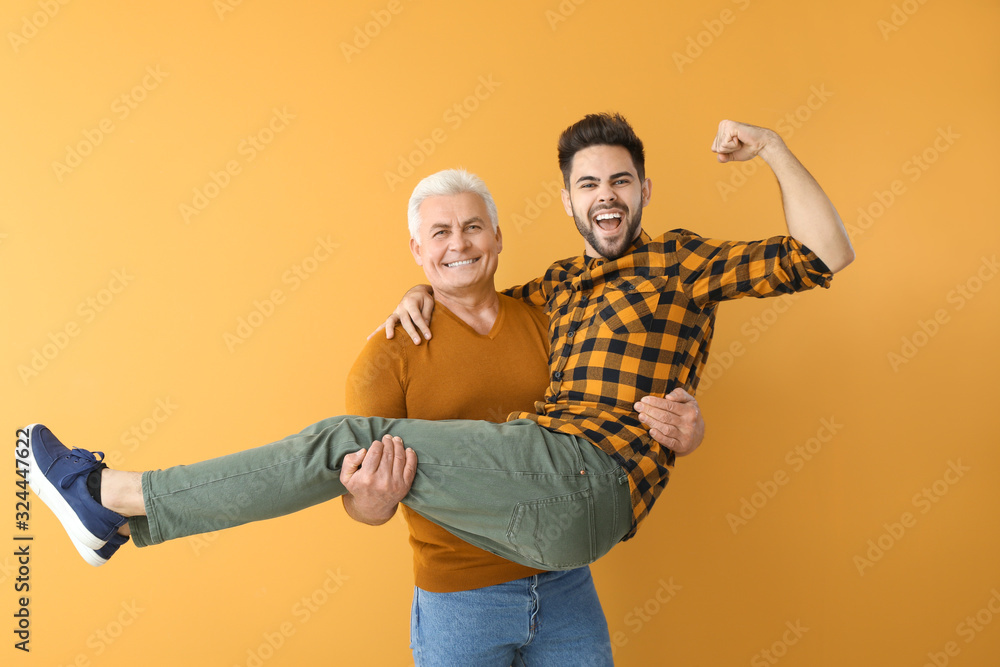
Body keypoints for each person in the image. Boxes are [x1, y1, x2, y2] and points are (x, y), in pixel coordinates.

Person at [20, 112, 853, 582]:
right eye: (590, 184)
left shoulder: (683, 261)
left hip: (584, 476)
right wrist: (420, 290)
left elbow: (825, 255)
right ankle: (113, 506)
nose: (608, 196)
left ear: (644, 190)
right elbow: (470, 286)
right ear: (568, 201)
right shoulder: (555, 289)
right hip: (539, 529)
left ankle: (113, 496)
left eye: (622, 180)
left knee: (341, 439)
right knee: (356, 450)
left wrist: (774, 148)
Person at [341, 168, 705, 666]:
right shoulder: (385, 359)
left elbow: (621, 412)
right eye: (440, 233)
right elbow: (360, 506)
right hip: (459, 602)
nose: (459, 244)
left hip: (566, 583)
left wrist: (685, 429)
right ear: (417, 249)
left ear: (497, 237)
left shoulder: (556, 321)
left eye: (472, 227)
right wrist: (370, 500)